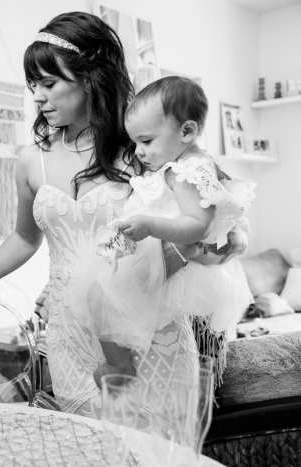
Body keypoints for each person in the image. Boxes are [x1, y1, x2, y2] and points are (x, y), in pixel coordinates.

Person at [0, 12, 246, 422]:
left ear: (90, 78)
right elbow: (25, 237)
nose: (37, 97)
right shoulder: (29, 161)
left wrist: (211, 243)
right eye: (32, 86)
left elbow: (205, 210)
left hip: (145, 329)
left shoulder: (142, 151)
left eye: (49, 83)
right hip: (68, 335)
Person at [78, 76, 255, 386]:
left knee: (101, 295)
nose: (140, 152)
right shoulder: (188, 162)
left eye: (146, 141)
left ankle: (118, 366)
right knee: (105, 296)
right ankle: (121, 361)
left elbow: (197, 226)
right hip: (167, 250)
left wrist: (150, 225)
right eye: (135, 143)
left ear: (187, 131)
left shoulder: (187, 170)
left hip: (168, 248)